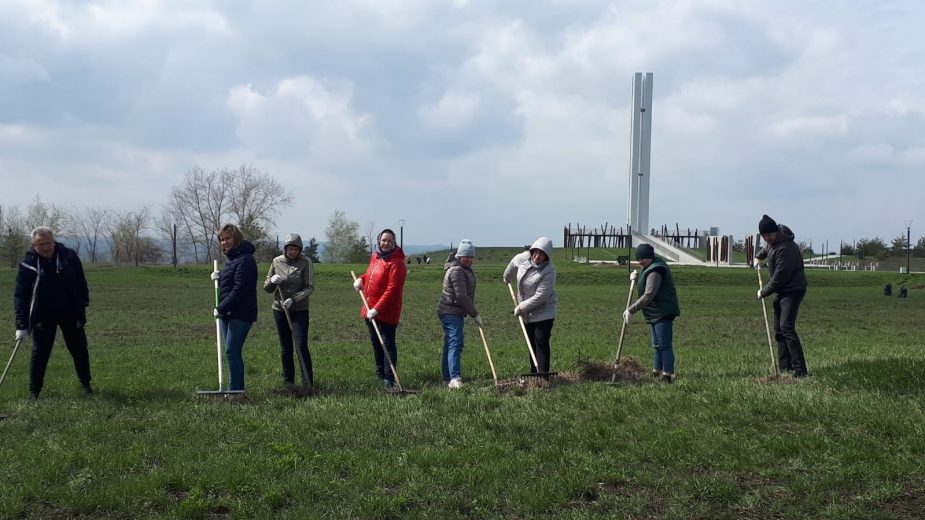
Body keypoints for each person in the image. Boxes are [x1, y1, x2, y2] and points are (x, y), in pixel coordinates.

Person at [13, 226, 93, 399]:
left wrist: (84, 302)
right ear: (34, 245)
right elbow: (20, 294)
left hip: (70, 312)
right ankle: (34, 393)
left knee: (79, 349)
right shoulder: (28, 264)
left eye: (48, 242)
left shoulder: (69, 256)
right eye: (40, 244)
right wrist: (21, 324)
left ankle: (86, 385)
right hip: (43, 315)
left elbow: (81, 280)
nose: (46, 247)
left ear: (53, 240)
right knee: (40, 353)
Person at [754, 214, 809, 377]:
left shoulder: (786, 248)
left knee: (786, 327)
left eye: (769, 235)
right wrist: (758, 256)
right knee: (779, 330)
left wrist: (763, 292)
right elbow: (766, 250)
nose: (767, 239)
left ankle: (800, 370)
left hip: (793, 290)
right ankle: (785, 368)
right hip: (782, 291)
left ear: (776, 231)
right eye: (764, 237)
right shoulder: (772, 242)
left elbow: (780, 277)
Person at [353, 229, 407, 388]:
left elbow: (393, 289)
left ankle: (389, 379)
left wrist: (377, 309)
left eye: (390, 241)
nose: (386, 243)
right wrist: (361, 280)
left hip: (386, 312)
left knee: (387, 345)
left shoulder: (397, 264)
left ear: (394, 243)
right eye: (384, 240)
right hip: (369, 310)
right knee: (376, 344)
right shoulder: (375, 257)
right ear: (379, 241)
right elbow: (370, 275)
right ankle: (380, 375)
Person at [623, 243, 681, 383]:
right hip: (655, 312)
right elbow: (645, 282)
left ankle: (667, 375)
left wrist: (631, 310)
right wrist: (636, 278)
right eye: (637, 260)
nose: (639, 262)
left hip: (662, 311)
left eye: (642, 259)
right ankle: (656, 371)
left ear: (649, 257)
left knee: (664, 344)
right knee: (656, 344)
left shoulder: (656, 270)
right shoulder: (649, 266)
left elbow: (649, 294)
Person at [211, 223, 258, 392]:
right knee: (230, 352)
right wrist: (219, 276)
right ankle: (234, 389)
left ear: (236, 238)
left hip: (241, 312)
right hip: (227, 312)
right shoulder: (232, 258)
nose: (225, 242)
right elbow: (230, 283)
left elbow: (240, 289)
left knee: (232, 351)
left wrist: (221, 307)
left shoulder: (246, 259)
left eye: (228, 238)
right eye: (222, 240)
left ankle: (236, 390)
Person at [264, 233, 314, 388]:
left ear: (300, 250)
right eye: (289, 249)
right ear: (285, 249)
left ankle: (307, 382)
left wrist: (293, 299)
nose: (292, 252)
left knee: (300, 345)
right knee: (285, 347)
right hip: (280, 309)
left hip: (299, 310)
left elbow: (309, 287)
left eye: (295, 249)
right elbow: (266, 287)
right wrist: (272, 281)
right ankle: (289, 382)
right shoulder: (276, 262)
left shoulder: (306, 262)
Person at [503, 236, 558, 376]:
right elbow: (512, 264)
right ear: (532, 250)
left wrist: (521, 307)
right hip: (527, 312)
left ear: (547, 256)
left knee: (540, 341)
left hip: (544, 310)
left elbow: (541, 297)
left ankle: (544, 376)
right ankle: (534, 376)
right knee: (531, 343)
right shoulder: (523, 258)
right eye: (536, 252)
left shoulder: (549, 271)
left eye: (542, 254)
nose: (537, 256)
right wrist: (507, 276)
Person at [438, 239, 482, 389]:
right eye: (466, 256)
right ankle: (454, 378)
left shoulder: (464, 268)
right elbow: (462, 296)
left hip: (455, 311)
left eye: (471, 257)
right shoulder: (457, 270)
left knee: (451, 343)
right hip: (450, 311)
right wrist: (475, 313)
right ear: (459, 256)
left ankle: (446, 377)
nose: (469, 259)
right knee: (455, 343)